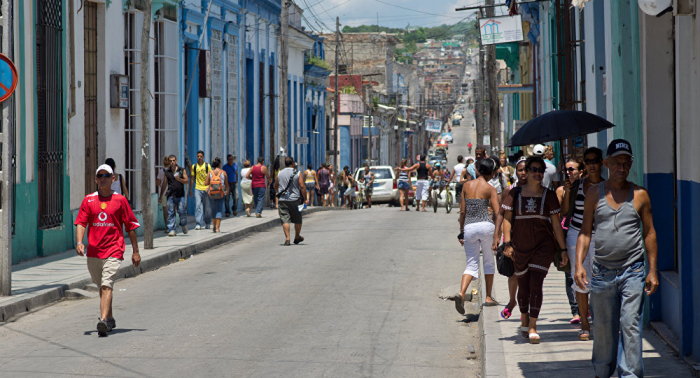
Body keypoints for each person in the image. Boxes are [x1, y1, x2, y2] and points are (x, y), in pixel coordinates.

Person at [574, 140, 658, 377]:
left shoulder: (640, 195)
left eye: (625, 162)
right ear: (606, 164)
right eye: (616, 162)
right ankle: (602, 372)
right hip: (602, 272)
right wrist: (579, 264)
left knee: (630, 324)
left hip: (633, 270)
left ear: (631, 164)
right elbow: (584, 232)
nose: (621, 167)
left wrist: (652, 270)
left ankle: (629, 374)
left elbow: (649, 233)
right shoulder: (593, 194)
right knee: (603, 329)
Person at [501, 156, 568, 344]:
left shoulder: (550, 195)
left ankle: (532, 326)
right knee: (523, 286)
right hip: (520, 246)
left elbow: (556, 225)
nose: (537, 173)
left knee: (536, 284)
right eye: (534, 169)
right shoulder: (514, 194)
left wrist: (563, 249)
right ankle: (524, 317)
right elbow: (507, 219)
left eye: (541, 170)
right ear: (527, 171)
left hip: (543, 245)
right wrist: (508, 243)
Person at [74, 164, 141, 336]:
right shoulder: (89, 200)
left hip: (114, 249)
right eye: (100, 176)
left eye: (107, 175)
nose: (103, 178)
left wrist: (135, 251)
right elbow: (81, 222)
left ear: (113, 179)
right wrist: (80, 242)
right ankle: (109, 318)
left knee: (106, 284)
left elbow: (130, 226)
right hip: (94, 252)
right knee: (102, 287)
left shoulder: (120, 200)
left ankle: (103, 321)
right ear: (96, 179)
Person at [562, 151, 604, 341]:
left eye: (595, 161)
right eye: (589, 162)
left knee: (600, 278)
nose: (592, 165)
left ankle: (599, 321)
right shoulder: (578, 185)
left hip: (601, 235)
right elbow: (565, 212)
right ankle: (585, 325)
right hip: (575, 234)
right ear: (585, 165)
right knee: (579, 277)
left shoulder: (608, 186)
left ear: (602, 163)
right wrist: (567, 191)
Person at [455, 158, 501, 314]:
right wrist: (497, 235)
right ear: (492, 172)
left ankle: (461, 293)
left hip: (469, 227)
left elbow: (462, 211)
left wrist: (462, 231)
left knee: (471, 264)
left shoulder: (467, 186)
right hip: (486, 226)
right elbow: (496, 213)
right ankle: (488, 297)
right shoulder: (490, 189)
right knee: (488, 261)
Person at [492, 157, 527, 320]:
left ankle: (524, 308)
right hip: (512, 237)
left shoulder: (539, 191)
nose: (524, 173)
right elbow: (501, 214)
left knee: (527, 274)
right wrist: (496, 237)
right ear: (516, 172)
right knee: (514, 273)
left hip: (530, 238)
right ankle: (512, 301)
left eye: (527, 169)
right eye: (520, 170)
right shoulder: (509, 190)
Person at [557, 157, 585, 326]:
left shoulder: (588, 188)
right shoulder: (561, 190)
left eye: (572, 169)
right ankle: (576, 310)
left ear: (581, 171)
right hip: (569, 233)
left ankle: (586, 308)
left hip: (587, 232)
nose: (568, 173)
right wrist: (567, 193)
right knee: (570, 274)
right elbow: (564, 212)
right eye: (566, 170)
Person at [275, 157, 307, 245]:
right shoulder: (298, 172)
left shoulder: (280, 173)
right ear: (293, 164)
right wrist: (305, 198)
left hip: (282, 200)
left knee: (285, 219)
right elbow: (302, 186)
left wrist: (280, 191)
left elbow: (275, 185)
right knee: (297, 219)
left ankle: (288, 239)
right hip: (295, 200)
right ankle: (297, 237)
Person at [159, 155, 190, 236]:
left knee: (182, 211)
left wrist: (179, 179)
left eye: (173, 160)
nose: (172, 162)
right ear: (169, 162)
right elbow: (164, 183)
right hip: (170, 195)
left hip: (180, 195)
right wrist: (161, 195)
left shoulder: (181, 170)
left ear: (176, 161)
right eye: (170, 161)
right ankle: (172, 229)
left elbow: (186, 181)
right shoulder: (167, 172)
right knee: (170, 212)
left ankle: (183, 224)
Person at [189, 150, 212, 230]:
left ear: (203, 157)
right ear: (196, 157)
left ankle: (208, 222)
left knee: (207, 207)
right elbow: (192, 178)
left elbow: (210, 177)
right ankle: (198, 223)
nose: (199, 158)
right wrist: (190, 189)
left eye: (201, 156)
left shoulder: (207, 166)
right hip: (197, 188)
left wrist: (209, 186)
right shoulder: (194, 166)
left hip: (206, 189)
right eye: (198, 156)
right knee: (198, 205)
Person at [206, 158, 229, 233]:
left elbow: (206, 183)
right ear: (219, 164)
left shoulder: (210, 172)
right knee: (219, 209)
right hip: (220, 193)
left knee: (213, 210)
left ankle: (214, 227)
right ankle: (218, 228)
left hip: (211, 194)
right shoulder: (223, 172)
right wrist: (227, 191)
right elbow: (226, 184)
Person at [156, 156, 169, 232]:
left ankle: (167, 227)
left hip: (164, 193)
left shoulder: (162, 171)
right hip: (173, 192)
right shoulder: (174, 171)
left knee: (165, 211)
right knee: (172, 210)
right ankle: (172, 226)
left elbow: (158, 183)